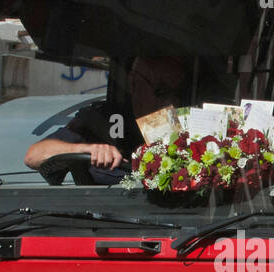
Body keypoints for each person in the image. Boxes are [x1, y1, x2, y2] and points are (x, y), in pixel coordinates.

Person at [23, 56, 187, 185]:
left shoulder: (185, 125)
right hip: (107, 221)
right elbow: (33, 156)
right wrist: (89, 149)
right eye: (161, 90)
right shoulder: (104, 120)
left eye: (177, 93)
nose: (170, 102)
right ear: (134, 84)